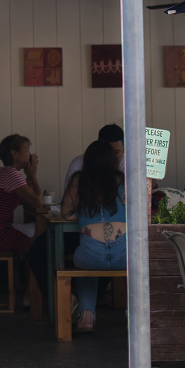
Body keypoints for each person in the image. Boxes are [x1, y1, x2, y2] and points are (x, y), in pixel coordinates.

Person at [60, 139, 126, 333]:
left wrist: (83, 215)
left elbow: (66, 213)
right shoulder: (122, 180)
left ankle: (86, 317)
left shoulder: (77, 181)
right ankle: (134, 317)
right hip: (124, 253)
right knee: (139, 265)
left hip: (90, 254)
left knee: (82, 263)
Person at [0, 134, 43, 254]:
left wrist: (29, 176)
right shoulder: (11, 174)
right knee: (42, 229)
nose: (30, 154)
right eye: (26, 150)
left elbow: (28, 199)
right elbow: (38, 202)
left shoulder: (3, 173)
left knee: (34, 229)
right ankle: (34, 266)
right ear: (14, 154)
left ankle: (28, 264)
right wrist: (33, 175)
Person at [63, 123, 124, 192]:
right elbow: (70, 195)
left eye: (117, 152)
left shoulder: (129, 165)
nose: (112, 157)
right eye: (108, 153)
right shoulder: (78, 163)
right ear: (98, 147)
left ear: (124, 149)